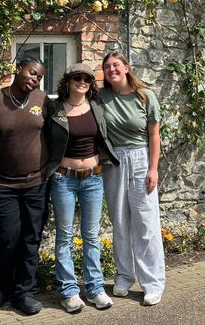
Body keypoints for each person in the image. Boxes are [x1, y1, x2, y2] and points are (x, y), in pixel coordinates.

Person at [46, 63, 119, 313]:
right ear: (67, 81)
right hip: (63, 179)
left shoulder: (97, 106)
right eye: (77, 77)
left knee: (91, 236)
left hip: (93, 179)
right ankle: (68, 291)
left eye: (87, 79)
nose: (82, 82)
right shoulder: (55, 109)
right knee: (64, 236)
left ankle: (95, 288)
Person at [0, 58, 49, 316]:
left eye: (40, 77)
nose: (35, 79)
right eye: (32, 73)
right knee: (5, 239)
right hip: (3, 184)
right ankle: (0, 286)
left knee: (30, 239)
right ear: (18, 69)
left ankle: (24, 292)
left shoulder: (43, 100)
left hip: (36, 183)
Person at [100, 51, 166, 306]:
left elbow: (154, 136)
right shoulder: (101, 98)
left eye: (116, 65)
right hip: (114, 161)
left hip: (140, 157)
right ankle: (125, 276)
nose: (112, 69)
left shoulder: (145, 96)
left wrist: (153, 169)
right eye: (107, 67)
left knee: (145, 221)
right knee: (119, 221)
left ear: (126, 68)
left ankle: (152, 282)